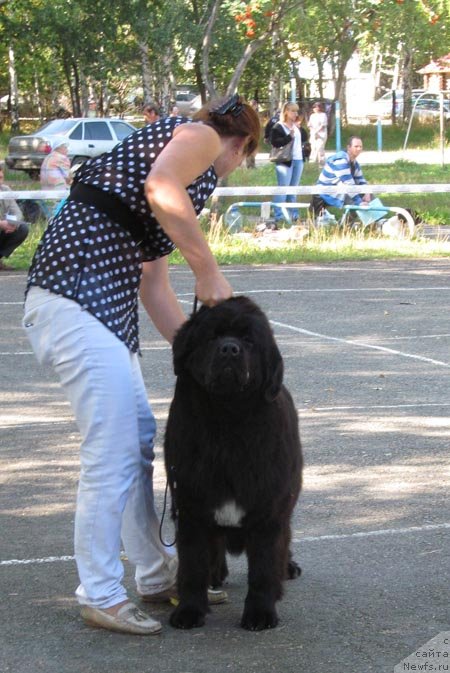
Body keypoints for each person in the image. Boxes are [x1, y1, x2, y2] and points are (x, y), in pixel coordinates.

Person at [22, 94, 260, 636]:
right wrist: (209, 271)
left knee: (136, 443)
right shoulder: (197, 139)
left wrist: (193, 353)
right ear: (241, 143)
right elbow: (161, 188)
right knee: (110, 450)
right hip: (75, 293)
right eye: (241, 160)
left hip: (103, 305)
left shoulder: (167, 165)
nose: (229, 170)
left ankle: (155, 575)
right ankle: (100, 593)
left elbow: (153, 281)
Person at [310, 136, 372, 219]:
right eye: (356, 146)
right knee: (356, 203)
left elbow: (360, 180)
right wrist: (359, 202)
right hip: (326, 194)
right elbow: (348, 184)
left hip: (341, 191)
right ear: (348, 147)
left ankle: (379, 222)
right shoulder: (340, 160)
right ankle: (344, 226)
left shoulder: (354, 163)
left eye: (360, 147)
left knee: (371, 198)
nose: (359, 149)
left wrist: (366, 192)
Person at [269, 102, 308, 224]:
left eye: (296, 111)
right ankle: (279, 215)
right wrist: (289, 137)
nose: (295, 114)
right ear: (286, 111)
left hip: (298, 159)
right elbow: (275, 142)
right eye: (293, 111)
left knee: (293, 189)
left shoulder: (296, 126)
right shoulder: (279, 126)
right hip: (285, 161)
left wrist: (300, 128)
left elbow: (305, 138)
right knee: (283, 188)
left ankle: (294, 214)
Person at [0, 164, 29, 270]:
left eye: (1, 176)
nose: (1, 179)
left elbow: (18, 213)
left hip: (4, 228)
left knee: (22, 228)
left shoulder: (5, 190)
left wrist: (13, 224)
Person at [307, 101, 328, 167]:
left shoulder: (323, 115)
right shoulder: (312, 116)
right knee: (313, 148)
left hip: (321, 135)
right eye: (314, 107)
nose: (315, 109)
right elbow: (309, 125)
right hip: (313, 134)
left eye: (316, 107)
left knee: (320, 148)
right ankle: (313, 163)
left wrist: (316, 131)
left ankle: (321, 163)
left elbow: (323, 125)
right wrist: (312, 131)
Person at [246, 98, 259, 168]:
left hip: (254, 133)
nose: (254, 106)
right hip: (249, 133)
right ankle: (249, 165)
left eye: (255, 105)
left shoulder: (255, 113)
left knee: (254, 149)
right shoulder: (248, 113)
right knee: (249, 149)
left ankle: (252, 164)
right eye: (253, 104)